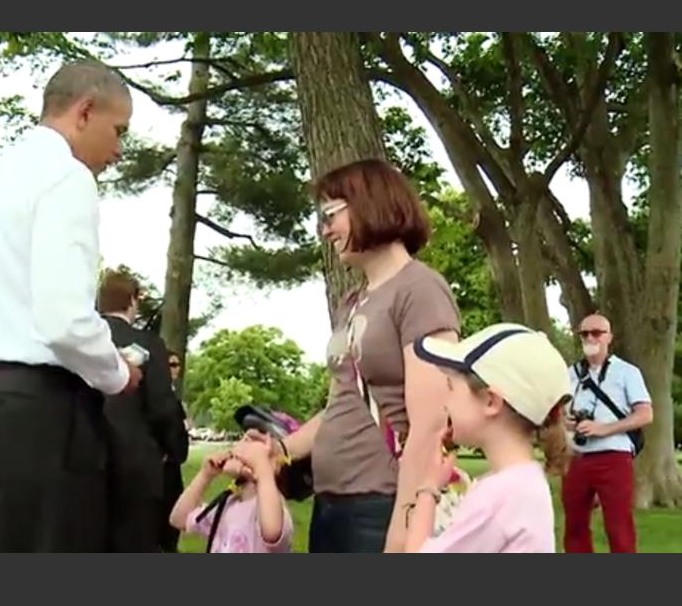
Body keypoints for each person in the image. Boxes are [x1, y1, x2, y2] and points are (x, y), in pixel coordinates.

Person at [0, 59, 143, 553]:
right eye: (118, 130)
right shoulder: (67, 178)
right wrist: (116, 373)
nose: (119, 150)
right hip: (30, 415)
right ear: (84, 112)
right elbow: (64, 320)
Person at [249, 158, 461, 553]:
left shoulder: (420, 289)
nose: (325, 229)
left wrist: (405, 519)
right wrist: (281, 449)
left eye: (331, 214)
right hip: (331, 503)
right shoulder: (353, 302)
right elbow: (341, 402)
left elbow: (431, 422)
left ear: (370, 205)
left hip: (381, 505)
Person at [404, 323, 571, 553]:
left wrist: (428, 487)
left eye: (451, 386)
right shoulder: (523, 481)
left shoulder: (499, 497)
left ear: (491, 401)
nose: (445, 402)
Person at [97, 271, 189, 552]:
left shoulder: (82, 344)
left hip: (85, 462)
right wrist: (176, 448)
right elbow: (162, 405)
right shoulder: (148, 345)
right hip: (135, 468)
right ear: (132, 300)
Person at [561, 313, 653, 553]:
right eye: (584, 334)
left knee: (618, 526)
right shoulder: (571, 374)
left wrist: (604, 429)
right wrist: (566, 421)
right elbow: (557, 413)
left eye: (596, 333)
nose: (590, 338)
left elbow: (645, 414)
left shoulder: (627, 372)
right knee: (575, 525)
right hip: (577, 457)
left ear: (609, 337)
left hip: (613, 456)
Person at [170, 432, 293, 554]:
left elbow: (272, 532)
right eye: (243, 439)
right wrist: (205, 475)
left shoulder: (271, 510)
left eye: (252, 443)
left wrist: (262, 467)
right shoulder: (228, 505)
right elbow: (179, 519)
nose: (241, 446)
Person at [159, 350, 189, 552]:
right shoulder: (158, 398)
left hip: (172, 470)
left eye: (177, 365)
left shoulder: (174, 399)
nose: (175, 369)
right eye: (171, 364)